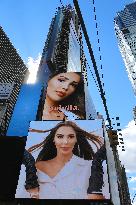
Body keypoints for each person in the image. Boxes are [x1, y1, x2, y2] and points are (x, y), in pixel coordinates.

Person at [23, 121, 104, 199]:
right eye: (60, 136)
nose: (65, 142)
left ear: (76, 139)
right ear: (53, 139)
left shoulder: (89, 167)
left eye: (71, 136)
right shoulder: (36, 167)